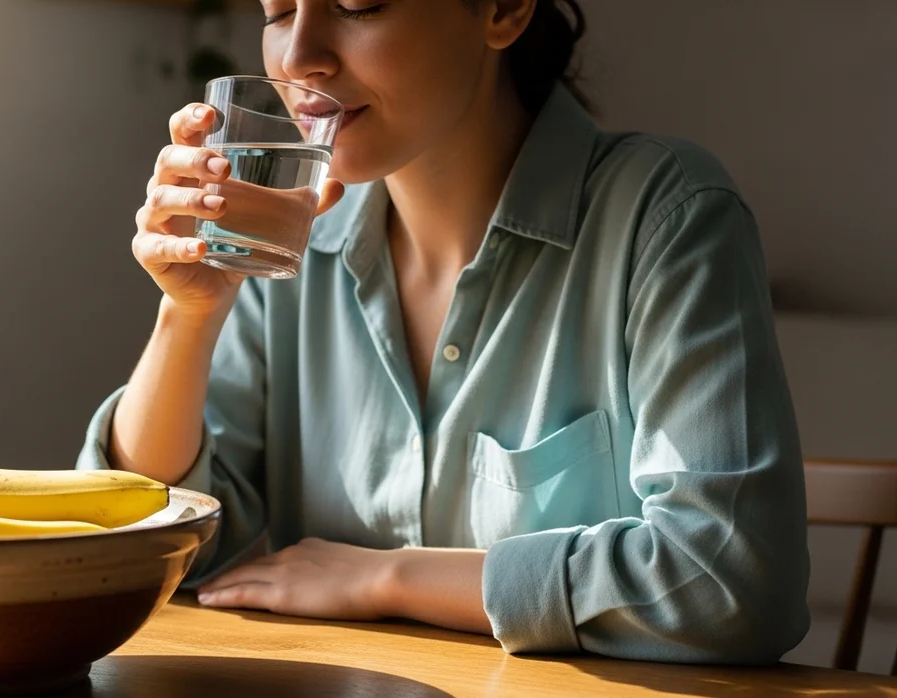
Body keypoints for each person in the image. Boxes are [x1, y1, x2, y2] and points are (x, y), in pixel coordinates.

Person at [77, 0, 811, 664]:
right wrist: (190, 312)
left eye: (357, 3)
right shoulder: (295, 243)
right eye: (276, 11)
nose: (299, 58)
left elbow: (731, 580)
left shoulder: (666, 215)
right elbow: (136, 550)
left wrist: (386, 578)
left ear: (502, 10)